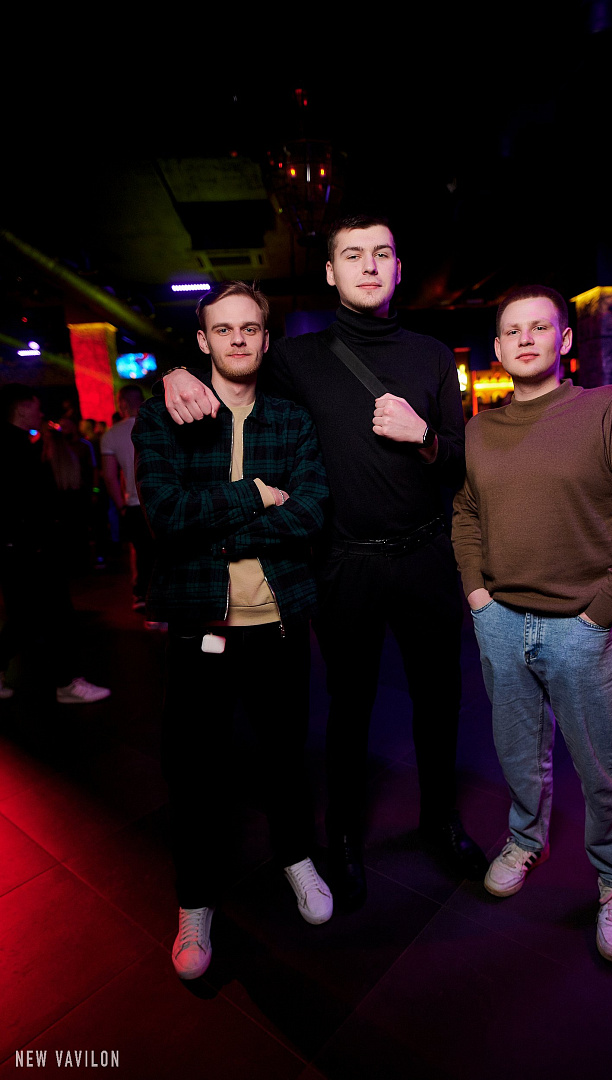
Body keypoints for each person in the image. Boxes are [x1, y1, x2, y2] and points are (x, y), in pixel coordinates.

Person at [161, 214, 486, 911]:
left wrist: (426, 437)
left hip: (425, 553)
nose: (369, 265)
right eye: (352, 255)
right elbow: (233, 360)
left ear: (398, 268)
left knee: (439, 701)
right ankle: (341, 839)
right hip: (345, 563)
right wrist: (173, 373)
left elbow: (461, 462)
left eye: (382, 253)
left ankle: (441, 821)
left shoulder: (433, 355)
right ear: (331, 272)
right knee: (349, 709)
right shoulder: (298, 358)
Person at [452, 286, 612, 964]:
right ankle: (526, 840)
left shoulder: (611, 409)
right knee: (518, 753)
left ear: (565, 339)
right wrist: (477, 594)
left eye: (539, 327)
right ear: (497, 348)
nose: (525, 339)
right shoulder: (481, 429)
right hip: (500, 622)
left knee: (601, 767)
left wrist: (602, 608)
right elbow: (466, 513)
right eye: (512, 331)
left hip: (581, 628)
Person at [132, 281, 333, 981]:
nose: (238, 339)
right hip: (201, 626)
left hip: (279, 624)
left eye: (250, 328)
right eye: (224, 329)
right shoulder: (166, 415)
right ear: (203, 340)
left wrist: (217, 530)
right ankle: (195, 900)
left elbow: (311, 510)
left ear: (266, 340)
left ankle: (297, 857)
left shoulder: (291, 419)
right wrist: (253, 495)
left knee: (285, 755)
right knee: (194, 770)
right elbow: (165, 515)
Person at [0, 384, 111, 704]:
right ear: (21, 409)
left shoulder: (15, 443)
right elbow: (24, 501)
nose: (41, 413)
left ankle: (65, 680)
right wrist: (36, 539)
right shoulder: (14, 446)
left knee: (25, 617)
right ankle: (67, 683)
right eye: (36, 407)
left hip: (19, 546)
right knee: (56, 614)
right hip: (29, 546)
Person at [101, 384, 156, 615]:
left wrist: (121, 506)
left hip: (135, 503)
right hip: (163, 499)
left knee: (141, 552)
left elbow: (110, 476)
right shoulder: (158, 424)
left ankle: (142, 597)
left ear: (122, 403)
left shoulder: (111, 434)